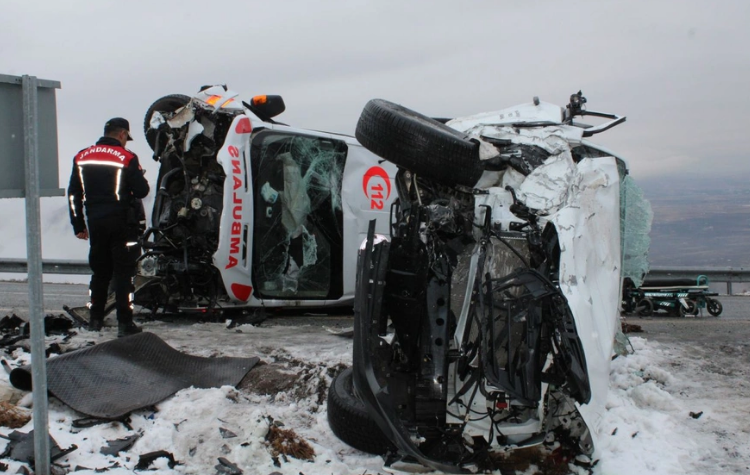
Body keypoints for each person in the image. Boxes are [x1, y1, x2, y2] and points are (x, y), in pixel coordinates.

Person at [67, 118, 150, 337]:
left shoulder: (82, 156)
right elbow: (142, 191)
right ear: (122, 134)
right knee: (124, 274)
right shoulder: (127, 158)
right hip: (122, 223)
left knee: (100, 273)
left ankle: (95, 320)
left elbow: (74, 194)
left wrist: (78, 225)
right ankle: (125, 323)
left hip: (95, 223)